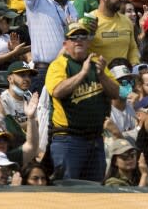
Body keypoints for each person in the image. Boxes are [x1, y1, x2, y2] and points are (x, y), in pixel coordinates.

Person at [45, 20, 119, 181]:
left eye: (83, 37)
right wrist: (82, 73)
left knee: (95, 192)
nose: (79, 40)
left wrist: (102, 76)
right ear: (65, 43)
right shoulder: (58, 65)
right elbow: (57, 91)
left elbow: (116, 93)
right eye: (74, 37)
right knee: (68, 192)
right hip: (68, 140)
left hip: (95, 139)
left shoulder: (98, 64)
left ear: (88, 42)